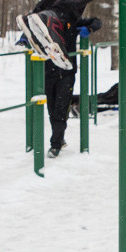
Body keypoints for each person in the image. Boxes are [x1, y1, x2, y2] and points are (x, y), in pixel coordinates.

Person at [43, 17, 100, 159]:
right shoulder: (44, 21)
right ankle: (59, 138)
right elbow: (29, 27)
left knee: (61, 109)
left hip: (66, 73)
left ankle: (55, 144)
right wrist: (24, 38)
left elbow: (97, 21)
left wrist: (90, 28)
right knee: (52, 109)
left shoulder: (71, 21)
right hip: (49, 72)